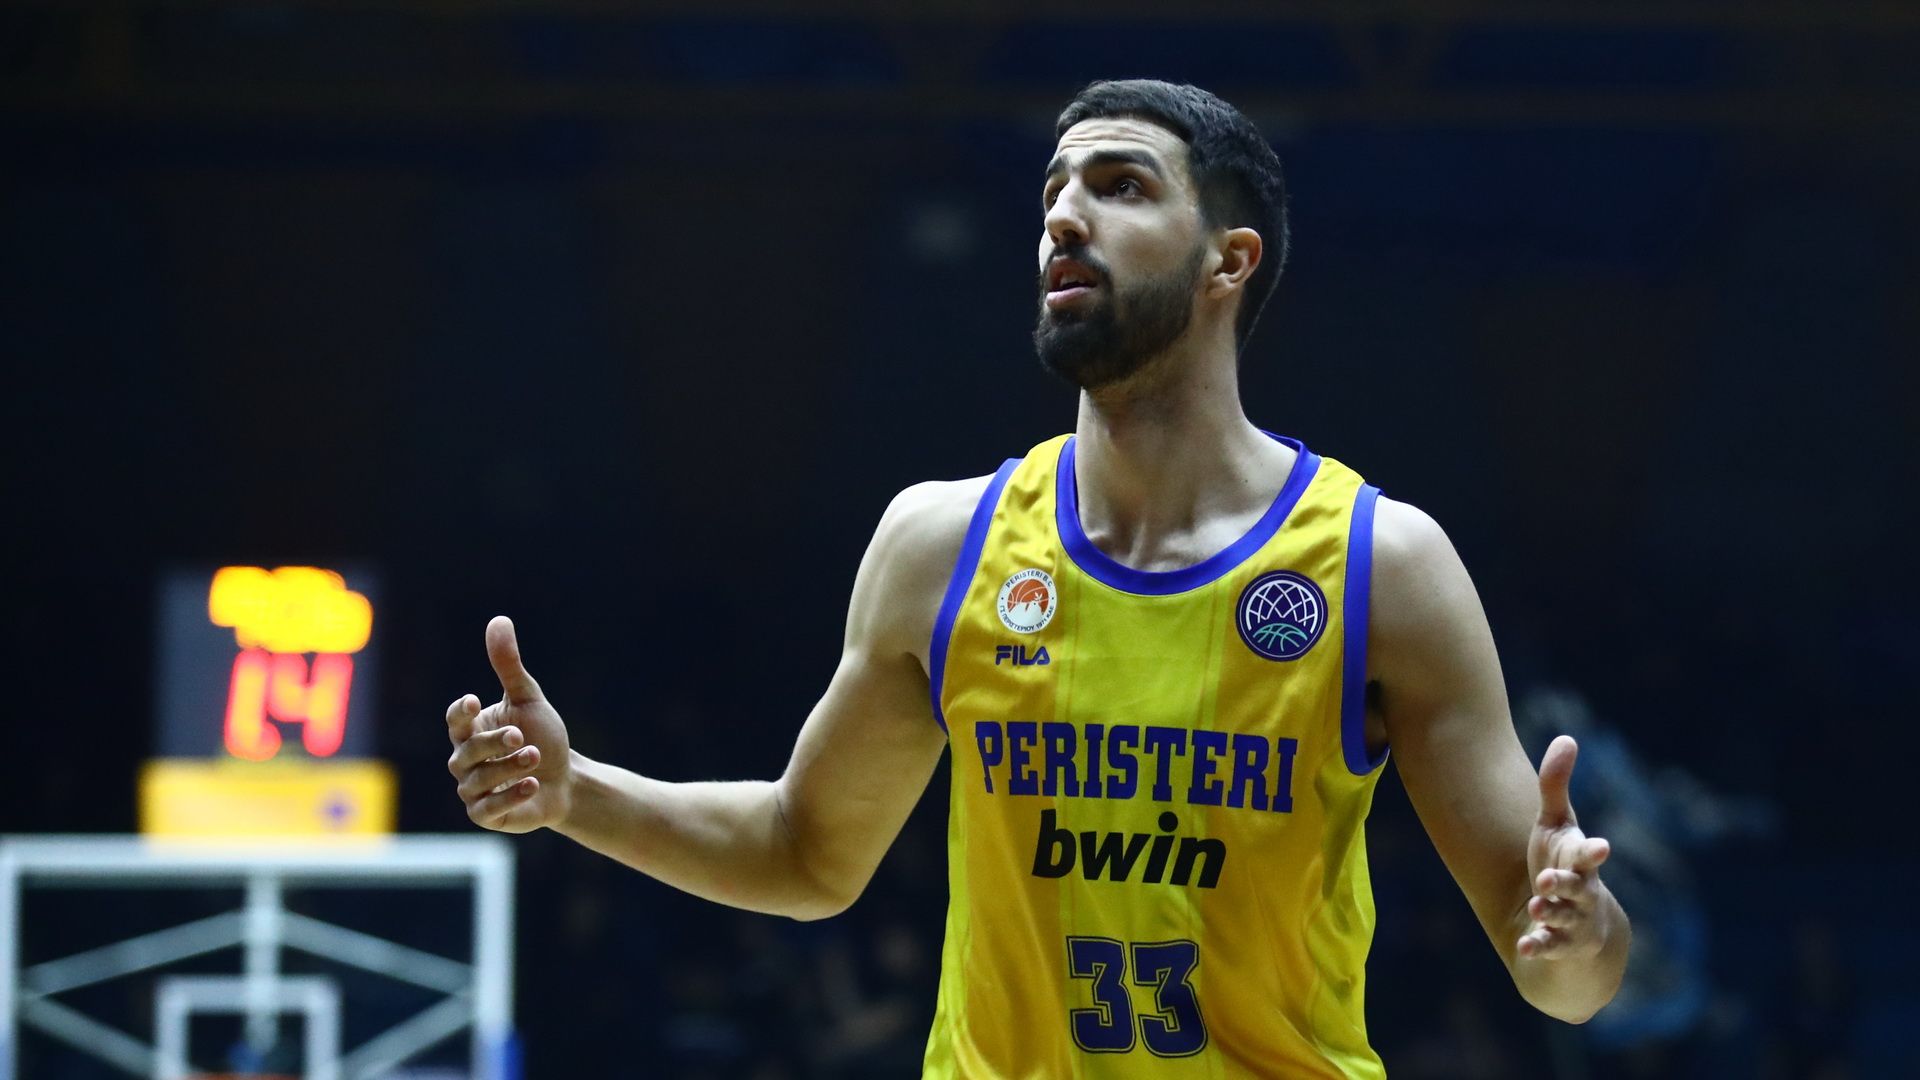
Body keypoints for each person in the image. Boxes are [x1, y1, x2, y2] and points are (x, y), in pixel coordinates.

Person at [443, 79, 1630, 1076]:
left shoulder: (1381, 567)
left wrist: (1579, 932)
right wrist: (573, 792)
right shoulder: (940, 546)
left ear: (1228, 261)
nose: (1065, 215)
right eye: (1055, 190)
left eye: (1120, 186)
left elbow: (1565, 984)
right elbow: (806, 854)